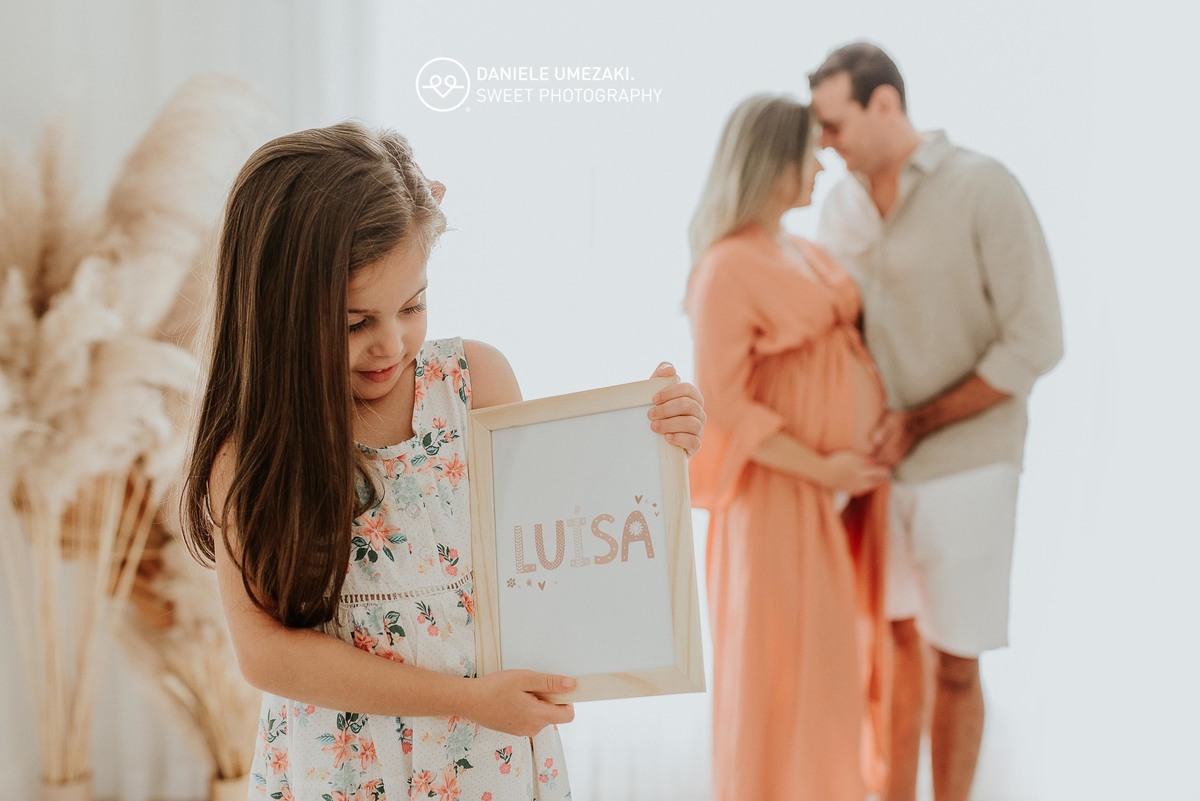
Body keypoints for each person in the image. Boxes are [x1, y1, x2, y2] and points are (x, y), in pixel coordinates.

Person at [179, 121, 706, 801]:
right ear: (278, 313)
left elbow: (560, 545)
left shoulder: (474, 383)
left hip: (488, 757)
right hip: (344, 770)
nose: (390, 343)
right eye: (353, 322)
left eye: (413, 303)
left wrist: (647, 437)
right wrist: (466, 699)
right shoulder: (253, 451)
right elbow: (266, 651)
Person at [809, 42, 1064, 801]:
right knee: (891, 650)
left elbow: (1037, 338)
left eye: (834, 124)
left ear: (885, 104)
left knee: (955, 659)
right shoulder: (838, 208)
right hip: (877, 470)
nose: (824, 146)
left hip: (969, 462)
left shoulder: (984, 187)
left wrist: (918, 421)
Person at [686, 94, 892, 801]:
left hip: (824, 496)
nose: (820, 166)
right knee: (778, 676)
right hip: (773, 499)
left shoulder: (799, 248)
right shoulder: (724, 267)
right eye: (809, 152)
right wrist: (825, 465)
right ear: (774, 162)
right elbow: (728, 405)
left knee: (830, 676)